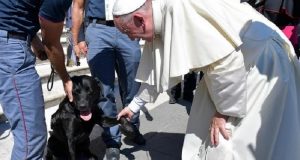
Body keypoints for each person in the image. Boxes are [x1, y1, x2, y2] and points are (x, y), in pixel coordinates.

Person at [113, 0, 300, 159]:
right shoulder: (160, 14)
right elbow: (157, 70)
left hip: (258, 62)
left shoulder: (179, 8)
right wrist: (134, 106)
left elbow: (226, 61)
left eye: (127, 32)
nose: (130, 39)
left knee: (231, 140)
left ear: (140, 19)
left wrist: (223, 112)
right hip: (231, 72)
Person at [72, 0, 145, 159]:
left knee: (133, 84)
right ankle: (112, 140)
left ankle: (131, 126)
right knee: (104, 90)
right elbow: (78, 5)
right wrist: (78, 38)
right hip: (98, 29)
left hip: (128, 26)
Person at [0, 0, 73, 159]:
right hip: (10, 47)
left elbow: (16, 10)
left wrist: (34, 40)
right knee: (31, 139)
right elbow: (52, 44)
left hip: (9, 38)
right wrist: (66, 79)